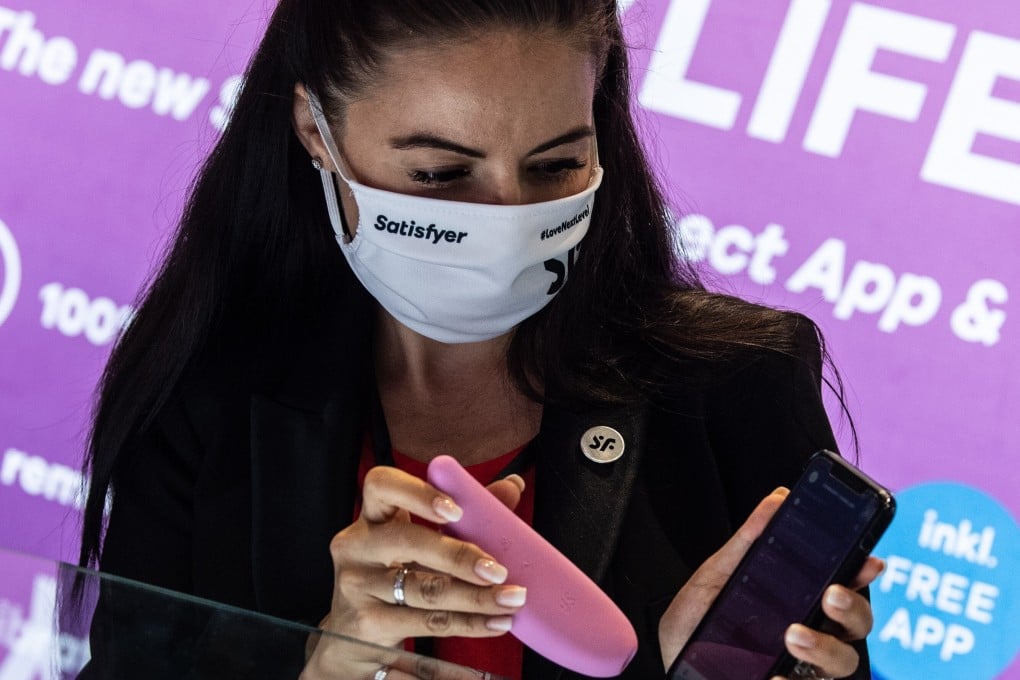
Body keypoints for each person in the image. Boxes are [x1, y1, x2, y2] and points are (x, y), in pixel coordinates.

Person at [77, 1, 883, 678]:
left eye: (554, 166)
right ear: (315, 130)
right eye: (439, 175)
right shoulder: (209, 395)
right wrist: (325, 665)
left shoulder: (734, 388)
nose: (504, 221)